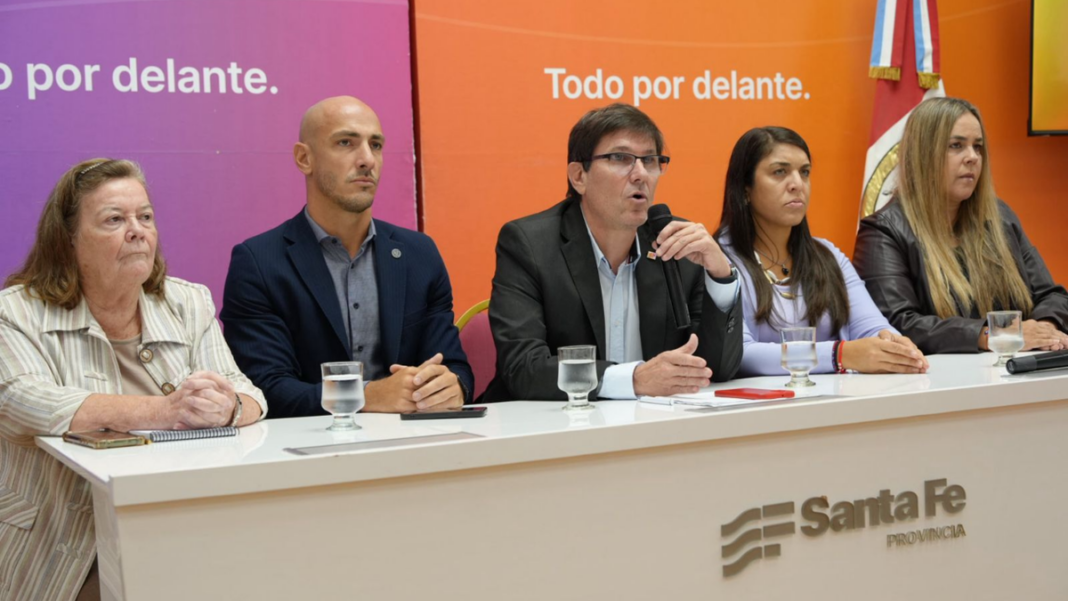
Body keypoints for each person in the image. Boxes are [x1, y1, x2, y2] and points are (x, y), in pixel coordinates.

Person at [0, 159, 266, 601]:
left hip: (177, 537)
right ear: (68, 239)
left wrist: (229, 408)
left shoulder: (188, 302)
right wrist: (166, 410)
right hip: (61, 547)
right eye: (114, 220)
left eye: (145, 217)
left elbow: (245, 390)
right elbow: (22, 402)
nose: (137, 231)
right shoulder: (15, 312)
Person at [222, 96, 473, 417]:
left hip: (413, 436)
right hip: (310, 442)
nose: (367, 159)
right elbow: (265, 388)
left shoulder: (419, 254)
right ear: (304, 158)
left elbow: (454, 366)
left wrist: (451, 386)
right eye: (346, 143)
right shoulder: (259, 262)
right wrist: (364, 396)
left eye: (376, 145)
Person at [482, 103, 743, 403]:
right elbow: (523, 368)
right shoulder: (530, 244)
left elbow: (717, 368)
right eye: (620, 158)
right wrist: (633, 379)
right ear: (579, 176)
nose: (641, 174)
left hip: (650, 424)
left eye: (650, 160)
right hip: (548, 423)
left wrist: (721, 277)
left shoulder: (677, 246)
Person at [854, 97, 1068, 354]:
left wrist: (1044, 330)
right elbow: (899, 324)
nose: (972, 157)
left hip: (1012, 369)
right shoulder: (883, 231)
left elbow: (1052, 296)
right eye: (956, 146)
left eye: (978, 147)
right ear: (923, 155)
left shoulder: (1000, 217)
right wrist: (997, 335)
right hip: (936, 376)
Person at [715, 127, 927, 376]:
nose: (797, 184)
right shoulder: (718, 262)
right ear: (745, 189)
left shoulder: (828, 255)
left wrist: (894, 345)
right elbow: (740, 353)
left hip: (831, 398)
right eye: (780, 172)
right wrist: (839, 355)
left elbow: (871, 327)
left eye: (804, 172)